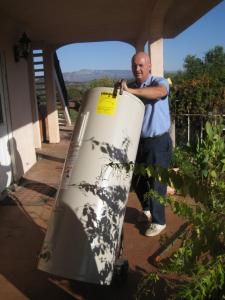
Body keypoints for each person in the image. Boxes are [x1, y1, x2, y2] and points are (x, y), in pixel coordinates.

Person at [117, 51, 172, 237]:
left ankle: (159, 221)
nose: (137, 69)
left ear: (149, 66)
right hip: (138, 141)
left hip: (158, 141)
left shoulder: (159, 82)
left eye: (141, 65)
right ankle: (147, 209)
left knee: (156, 181)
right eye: (134, 65)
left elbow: (160, 93)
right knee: (137, 178)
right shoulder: (130, 85)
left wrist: (130, 91)